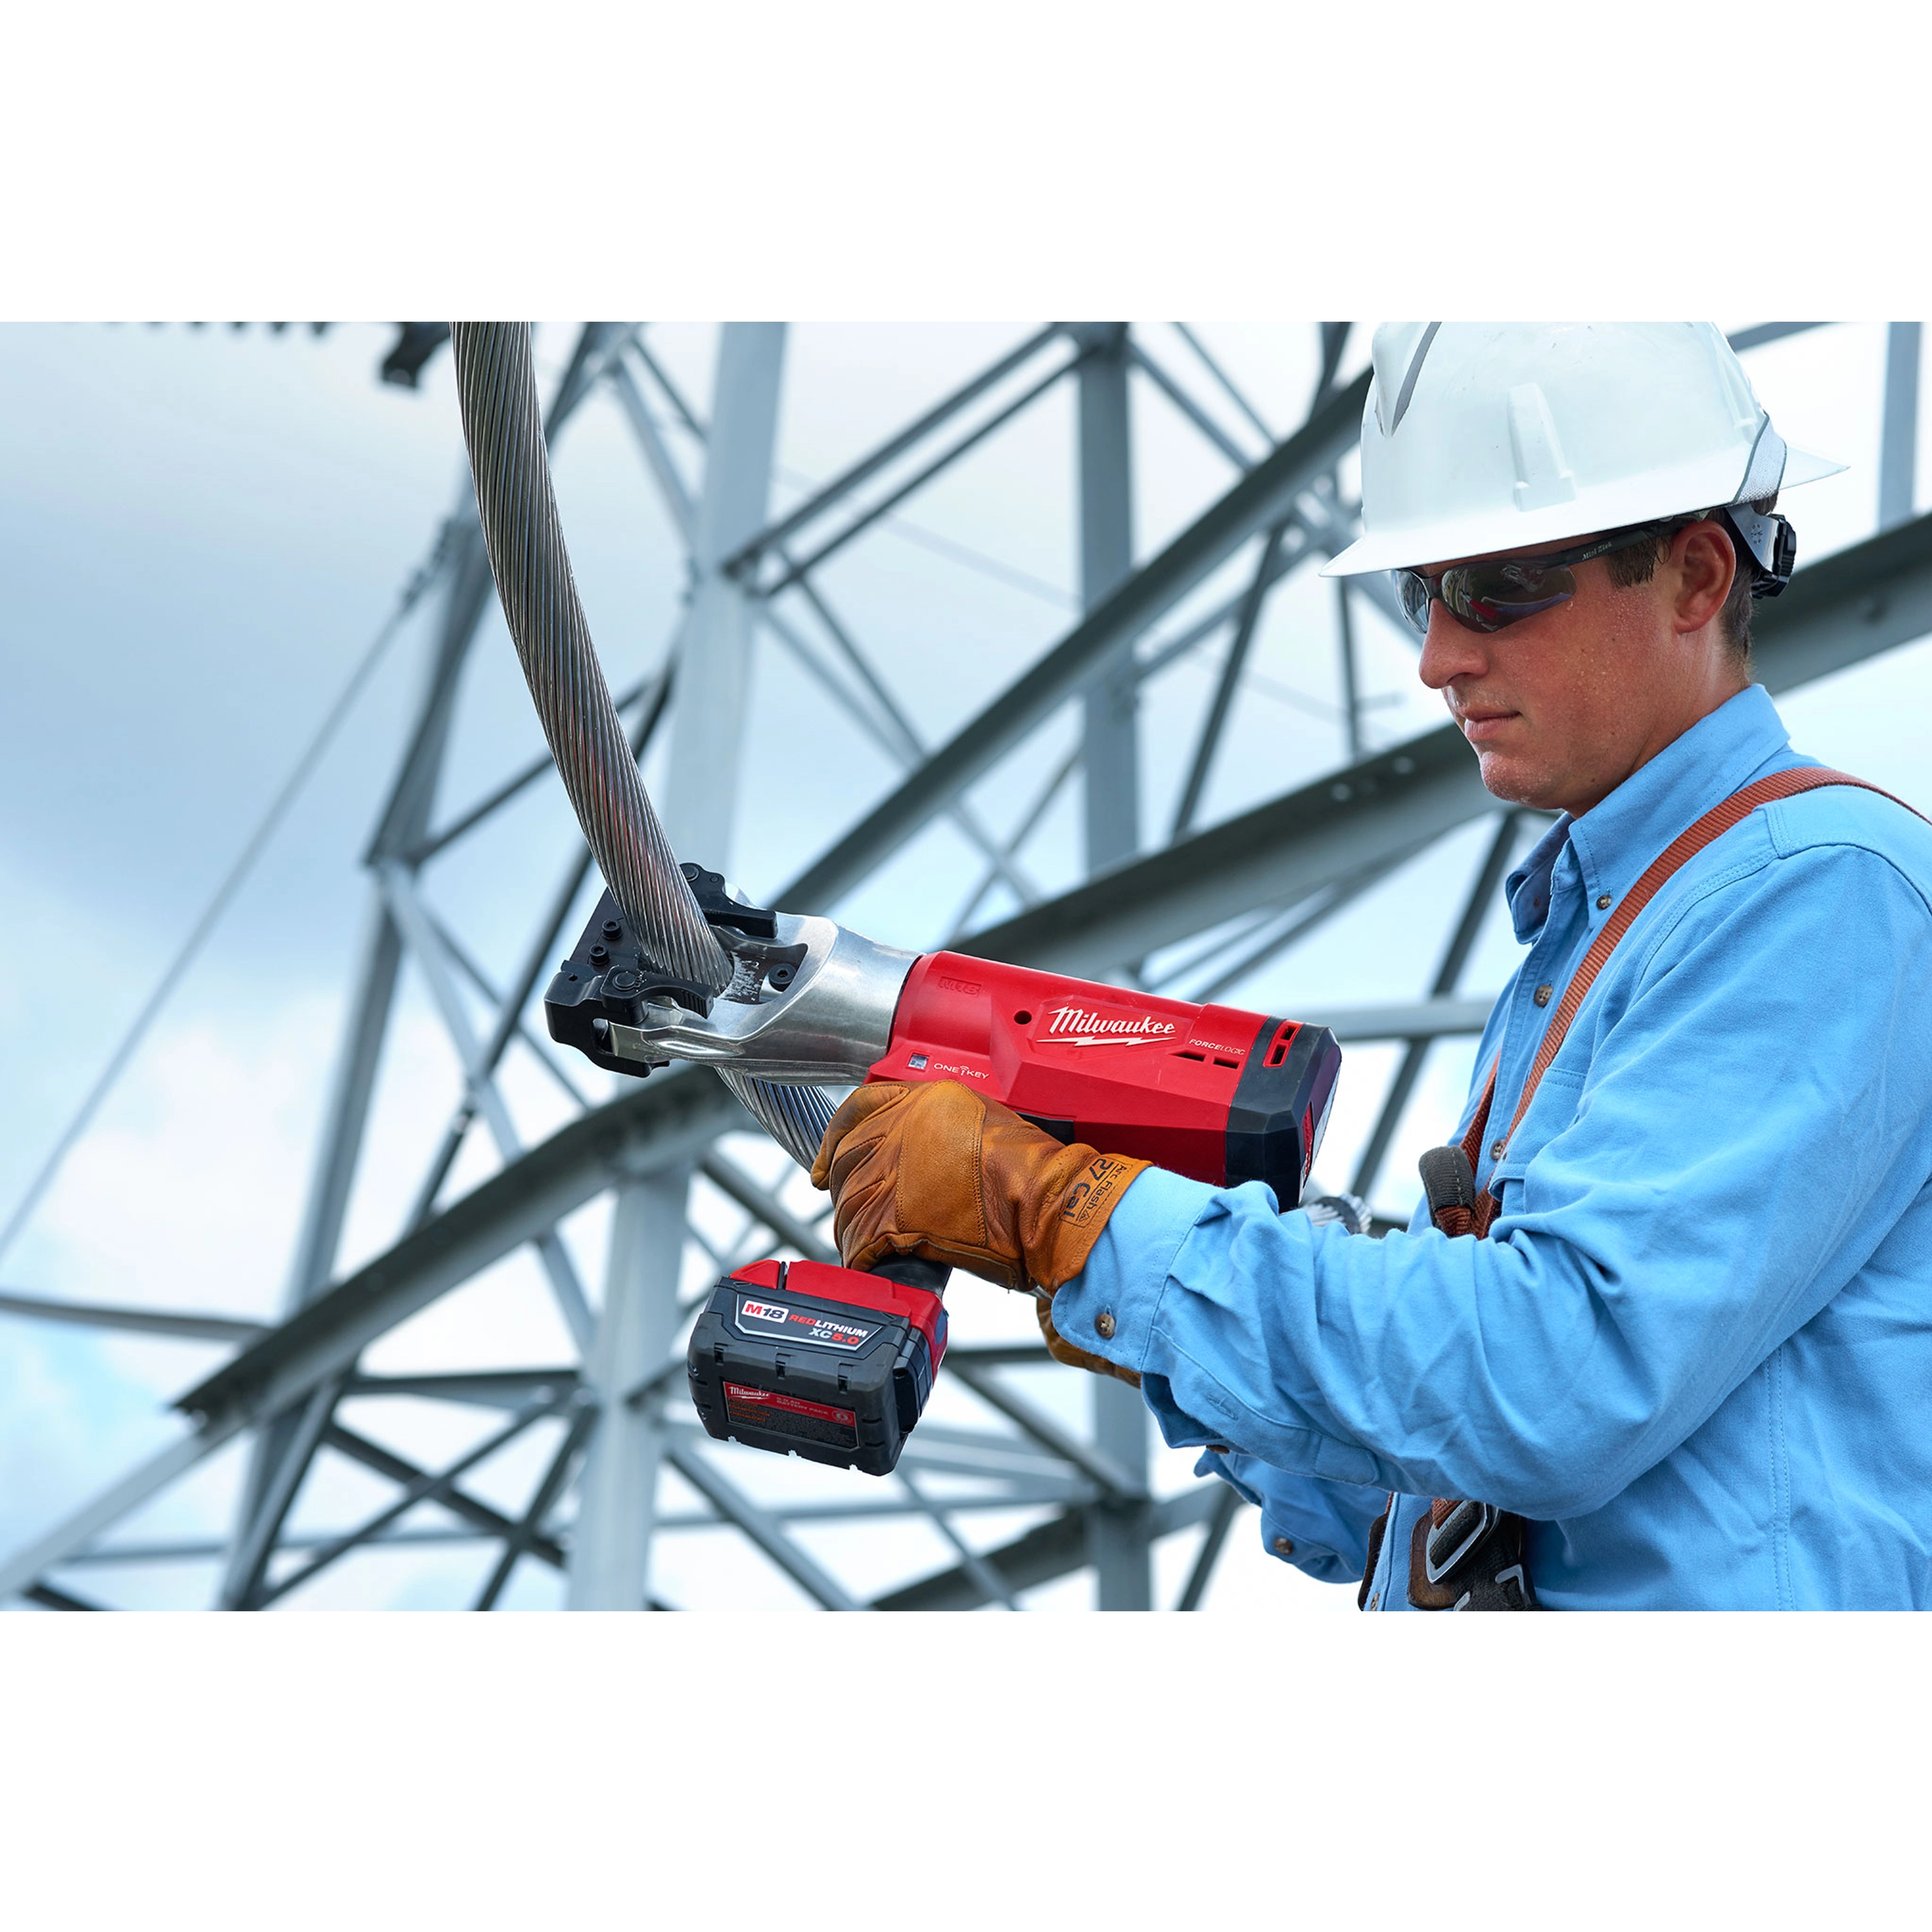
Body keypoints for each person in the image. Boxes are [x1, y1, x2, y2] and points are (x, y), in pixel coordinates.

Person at [811, 321, 1932, 1611]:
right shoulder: (1605, 929)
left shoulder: (1817, 896)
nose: (1440, 657)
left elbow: (1554, 1380)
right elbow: (1437, 1482)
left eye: (1498, 587)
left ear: (1694, 575)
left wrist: (1082, 1216)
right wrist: (1092, 1242)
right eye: (1422, 594)